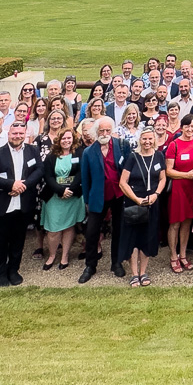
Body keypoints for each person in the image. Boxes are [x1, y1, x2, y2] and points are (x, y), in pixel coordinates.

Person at [0, 120, 42, 287]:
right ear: (8, 134)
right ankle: (0, 273)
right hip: (0, 205)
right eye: (14, 133)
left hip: (22, 204)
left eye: (21, 134)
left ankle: (14, 270)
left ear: (25, 135)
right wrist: (11, 185)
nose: (17, 136)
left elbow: (39, 170)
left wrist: (23, 186)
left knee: (18, 241)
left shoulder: (33, 150)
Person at [79, 120, 126, 283]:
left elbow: (127, 169)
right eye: (101, 131)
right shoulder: (88, 152)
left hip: (119, 194)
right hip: (98, 196)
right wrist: (87, 200)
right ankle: (90, 265)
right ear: (95, 132)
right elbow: (85, 179)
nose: (105, 134)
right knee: (92, 232)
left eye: (108, 130)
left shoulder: (121, 145)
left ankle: (117, 262)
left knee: (119, 230)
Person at [119, 127, 167, 286]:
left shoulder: (159, 156)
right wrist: (137, 199)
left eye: (150, 139)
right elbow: (122, 182)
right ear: (140, 140)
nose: (147, 142)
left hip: (152, 202)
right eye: (144, 139)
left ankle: (143, 272)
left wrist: (156, 195)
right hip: (134, 202)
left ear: (154, 140)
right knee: (133, 238)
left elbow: (162, 179)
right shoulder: (133, 157)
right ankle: (134, 273)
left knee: (148, 237)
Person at [163, 115, 193, 274]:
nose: (190, 130)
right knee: (175, 223)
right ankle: (173, 255)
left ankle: (183, 254)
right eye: (187, 126)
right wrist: (186, 175)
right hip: (179, 187)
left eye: (192, 127)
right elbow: (169, 170)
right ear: (181, 127)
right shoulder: (174, 145)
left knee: (187, 222)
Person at [39, 128, 84, 271]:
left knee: (69, 227)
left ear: (73, 139)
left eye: (69, 138)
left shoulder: (79, 153)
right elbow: (48, 176)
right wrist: (61, 190)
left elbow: (81, 173)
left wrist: (70, 190)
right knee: (53, 230)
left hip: (73, 195)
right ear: (59, 140)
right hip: (54, 195)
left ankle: (64, 256)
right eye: (63, 138)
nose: (66, 141)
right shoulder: (51, 156)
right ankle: (52, 255)